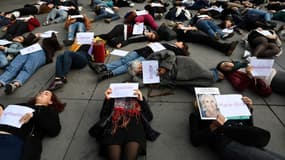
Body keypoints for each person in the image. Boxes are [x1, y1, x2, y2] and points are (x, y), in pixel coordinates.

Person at [189, 96, 285, 160]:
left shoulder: (224, 110)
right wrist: (213, 126)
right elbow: (195, 139)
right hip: (228, 143)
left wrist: (248, 109)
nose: (209, 104)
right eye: (205, 101)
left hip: (245, 138)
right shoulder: (196, 115)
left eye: (212, 101)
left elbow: (249, 126)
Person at [89, 87, 158, 160]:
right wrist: (107, 99)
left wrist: (141, 100)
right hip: (114, 128)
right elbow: (103, 116)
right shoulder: (113, 99)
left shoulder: (137, 98)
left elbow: (149, 117)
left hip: (134, 129)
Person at [0, 90, 65, 160]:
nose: (41, 94)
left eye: (46, 94)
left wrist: (34, 115)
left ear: (50, 101)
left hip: (13, 141)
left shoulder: (48, 112)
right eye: (40, 93)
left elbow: (54, 130)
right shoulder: (21, 105)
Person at [88, 41, 189, 82]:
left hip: (149, 56)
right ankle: (103, 67)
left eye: (180, 42)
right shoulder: (170, 44)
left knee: (128, 64)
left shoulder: (176, 51)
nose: (178, 42)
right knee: (124, 59)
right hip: (142, 50)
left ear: (182, 46)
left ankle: (108, 74)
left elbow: (168, 57)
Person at [128, 51, 222, 89]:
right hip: (177, 79)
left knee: (204, 73)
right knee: (197, 86)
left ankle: (215, 73)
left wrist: (164, 67)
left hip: (181, 65)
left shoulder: (152, 57)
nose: (141, 70)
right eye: (139, 72)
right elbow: (140, 84)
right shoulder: (144, 76)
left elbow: (170, 54)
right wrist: (134, 78)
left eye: (140, 67)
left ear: (140, 63)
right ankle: (212, 76)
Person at [174, 23, 238, 56]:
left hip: (198, 36)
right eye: (180, 25)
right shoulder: (179, 31)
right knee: (209, 41)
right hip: (195, 38)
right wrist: (187, 28)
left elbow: (195, 28)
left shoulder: (184, 29)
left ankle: (225, 48)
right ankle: (226, 47)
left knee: (210, 42)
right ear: (177, 27)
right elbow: (181, 39)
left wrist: (188, 28)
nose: (182, 25)